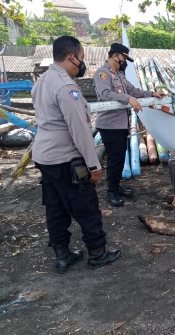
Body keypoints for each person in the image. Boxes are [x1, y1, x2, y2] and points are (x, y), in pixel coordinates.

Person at [32, 36, 121, 273]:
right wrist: (94, 165)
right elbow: (80, 129)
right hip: (66, 159)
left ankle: (62, 255)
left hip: (44, 157)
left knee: (56, 207)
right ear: (72, 57)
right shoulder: (66, 87)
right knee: (86, 206)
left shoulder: (42, 81)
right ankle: (98, 254)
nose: (81, 64)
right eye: (81, 59)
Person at [94, 43, 165, 207]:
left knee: (119, 156)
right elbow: (105, 95)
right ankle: (111, 191)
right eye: (123, 58)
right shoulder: (102, 74)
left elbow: (133, 91)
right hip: (109, 124)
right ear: (114, 56)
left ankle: (116, 186)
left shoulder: (119, 74)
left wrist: (152, 93)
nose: (124, 61)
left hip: (120, 124)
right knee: (114, 158)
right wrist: (128, 99)